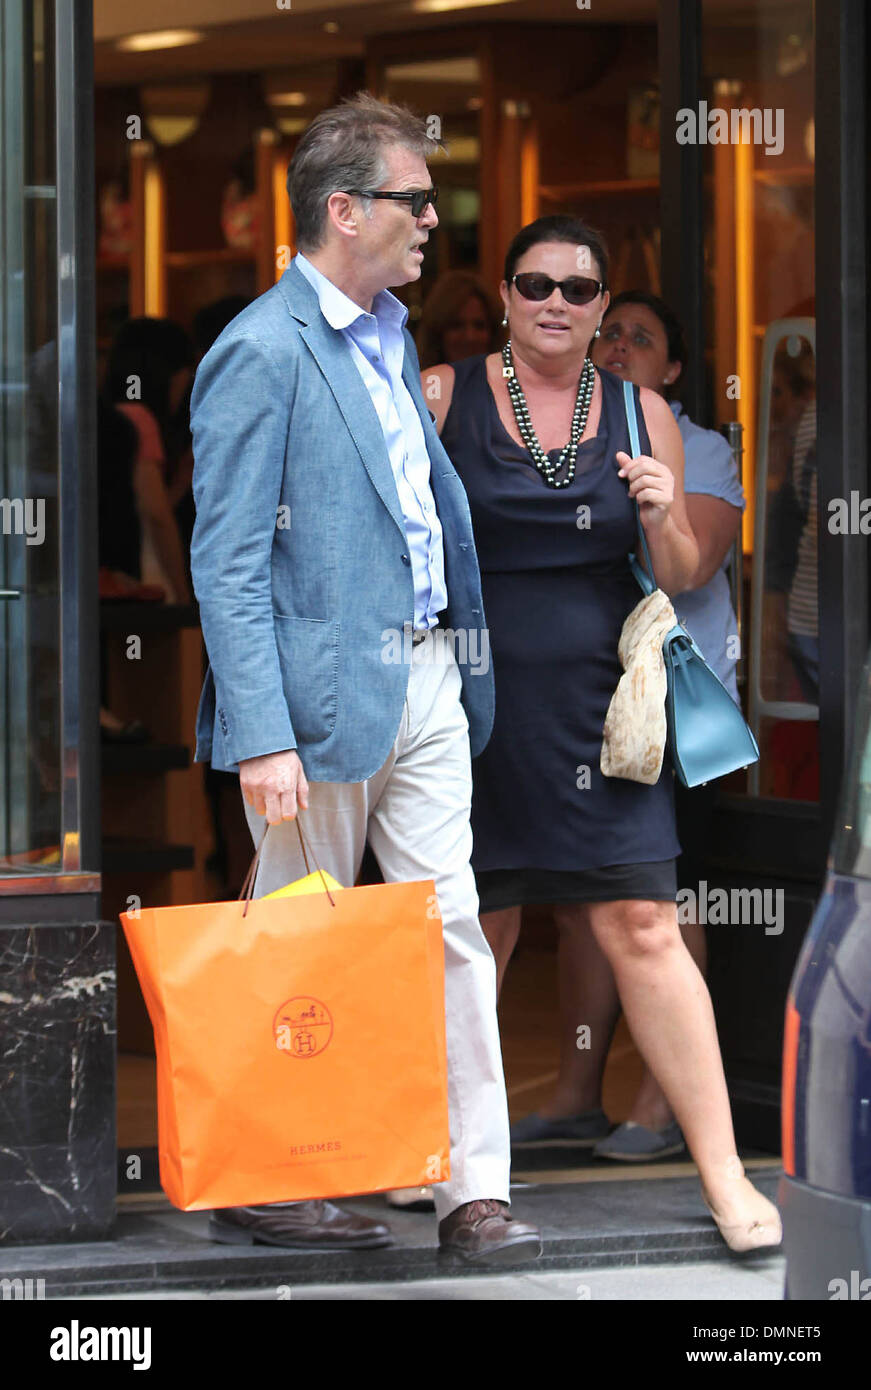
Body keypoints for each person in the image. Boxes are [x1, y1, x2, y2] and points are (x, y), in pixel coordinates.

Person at [189, 92, 541, 1265]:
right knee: (302, 933)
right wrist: (261, 731)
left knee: (449, 927)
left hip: (427, 669)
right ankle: (268, 1177)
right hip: (313, 697)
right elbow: (227, 560)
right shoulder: (260, 347)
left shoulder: (390, 333)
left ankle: (470, 1192)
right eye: (415, 200)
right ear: (344, 210)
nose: (435, 219)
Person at [427, 215, 781, 1251]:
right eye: (534, 284)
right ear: (504, 294)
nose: (556, 303)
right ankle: (444, 1168)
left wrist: (665, 511)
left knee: (642, 921)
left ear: (599, 307)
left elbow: (681, 571)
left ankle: (723, 1176)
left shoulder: (640, 408)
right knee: (473, 930)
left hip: (606, 703)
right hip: (471, 701)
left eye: (579, 290)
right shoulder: (440, 395)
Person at [509, 290, 742, 1161]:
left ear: (671, 369)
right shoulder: (557, 438)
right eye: (610, 333)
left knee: (661, 904)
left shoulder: (701, 448)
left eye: (640, 339)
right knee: (581, 906)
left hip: (666, 709)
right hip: (580, 701)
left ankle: (660, 1104)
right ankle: (575, 1096)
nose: (616, 346)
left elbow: (692, 564)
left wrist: (642, 501)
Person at [103, 317, 194, 604]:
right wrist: (182, 596)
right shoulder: (138, 420)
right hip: (137, 576)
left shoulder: (104, 414)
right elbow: (155, 514)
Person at [415, 269, 503, 370]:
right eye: (457, 325)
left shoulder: (509, 377)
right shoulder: (417, 379)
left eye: (479, 326)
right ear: (437, 332)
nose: (470, 337)